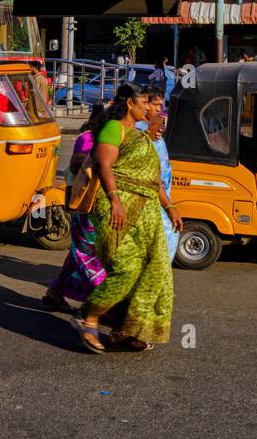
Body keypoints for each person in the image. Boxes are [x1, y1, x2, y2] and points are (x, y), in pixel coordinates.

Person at [75, 83, 182, 354]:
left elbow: (153, 179)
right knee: (127, 267)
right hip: (117, 205)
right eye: (145, 102)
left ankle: (128, 328)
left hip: (146, 210)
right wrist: (115, 200)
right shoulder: (115, 128)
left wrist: (170, 207)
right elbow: (103, 164)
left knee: (156, 270)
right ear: (130, 104)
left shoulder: (142, 135)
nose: (150, 107)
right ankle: (89, 314)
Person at [42, 104, 114, 312]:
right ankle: (101, 303)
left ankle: (54, 294)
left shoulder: (102, 139)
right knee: (88, 252)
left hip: (94, 203)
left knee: (78, 253)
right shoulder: (88, 138)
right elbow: (78, 165)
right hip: (85, 203)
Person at [136, 90, 179, 263]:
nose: (159, 109)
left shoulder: (154, 130)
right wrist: (168, 206)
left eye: (161, 105)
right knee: (166, 236)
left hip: (159, 197)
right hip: (150, 199)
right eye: (156, 104)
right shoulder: (140, 131)